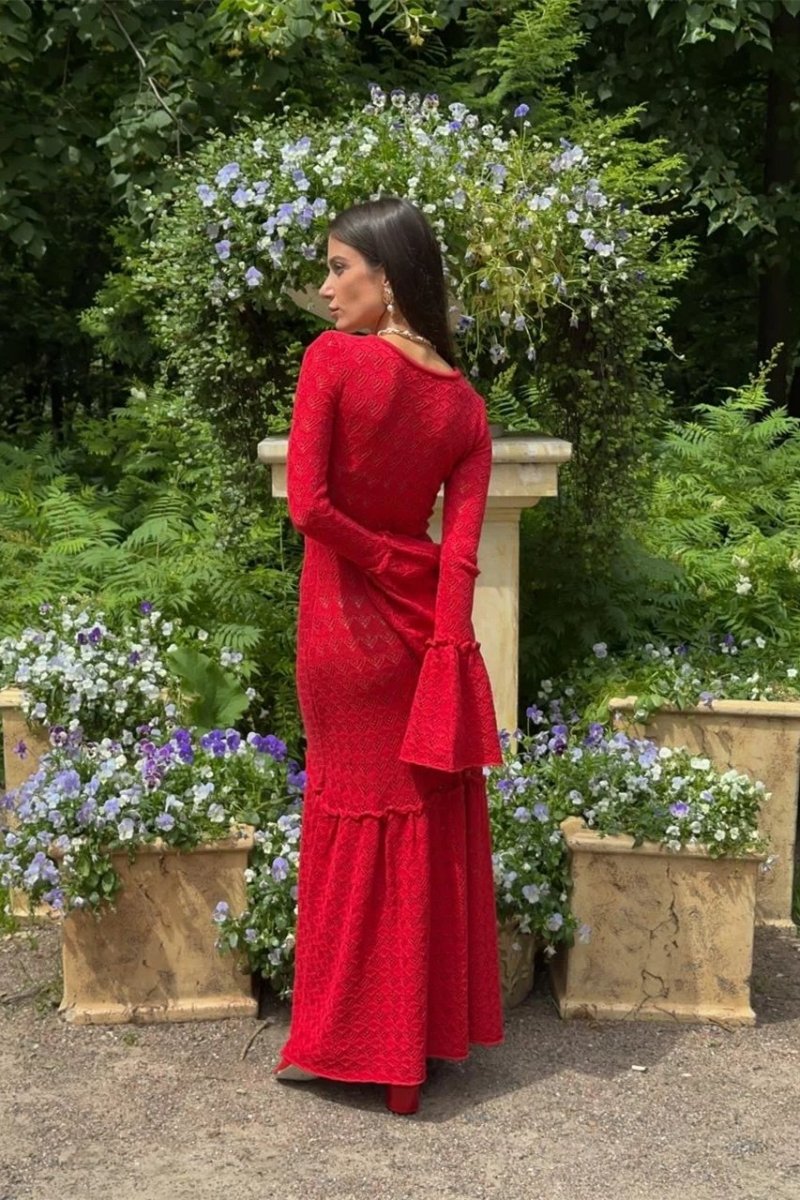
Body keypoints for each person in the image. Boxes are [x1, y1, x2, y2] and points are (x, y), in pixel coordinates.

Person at [274, 197, 504, 1116]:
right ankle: (410, 1058)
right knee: (419, 828)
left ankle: (340, 1041)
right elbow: (462, 556)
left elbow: (307, 506)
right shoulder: (466, 408)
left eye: (340, 268)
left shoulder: (333, 361)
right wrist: (445, 639)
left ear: (390, 278)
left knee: (350, 824)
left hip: (340, 627)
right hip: (418, 634)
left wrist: (375, 557)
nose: (327, 289)